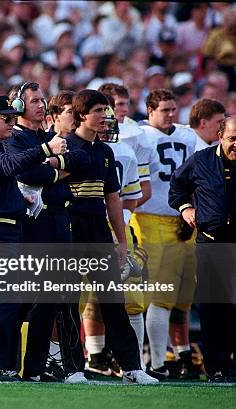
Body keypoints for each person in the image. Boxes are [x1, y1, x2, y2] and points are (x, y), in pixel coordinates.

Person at [0, 95, 66, 381]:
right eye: (6, 118)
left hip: (4, 228)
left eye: (12, 118)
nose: (11, 123)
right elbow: (3, 167)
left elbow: (10, 167)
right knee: (7, 297)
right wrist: (45, 148)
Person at [65, 89, 158, 384]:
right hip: (69, 231)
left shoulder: (106, 152)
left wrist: (120, 239)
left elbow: (113, 200)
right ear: (82, 115)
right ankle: (72, 368)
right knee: (67, 300)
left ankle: (131, 367)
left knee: (113, 301)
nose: (106, 117)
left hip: (99, 232)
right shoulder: (64, 147)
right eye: (99, 111)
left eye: (106, 111)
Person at [6, 85, 88, 383]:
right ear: (18, 104)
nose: (41, 105)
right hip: (33, 222)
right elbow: (26, 173)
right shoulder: (14, 137)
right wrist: (55, 170)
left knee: (51, 297)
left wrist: (51, 165)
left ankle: (35, 368)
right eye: (34, 101)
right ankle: (8, 364)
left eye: (42, 100)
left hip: (58, 219)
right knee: (23, 297)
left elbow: (81, 163)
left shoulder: (47, 136)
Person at [130, 89, 198, 380]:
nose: (171, 114)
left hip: (183, 220)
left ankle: (172, 355)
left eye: (173, 109)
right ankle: (155, 362)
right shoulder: (140, 135)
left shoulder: (187, 135)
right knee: (159, 294)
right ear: (150, 111)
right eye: (164, 110)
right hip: (149, 219)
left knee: (182, 296)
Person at [169, 116, 236, 383]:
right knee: (213, 308)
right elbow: (177, 186)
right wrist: (186, 208)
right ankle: (217, 368)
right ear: (220, 136)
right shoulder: (201, 160)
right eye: (233, 139)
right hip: (212, 242)